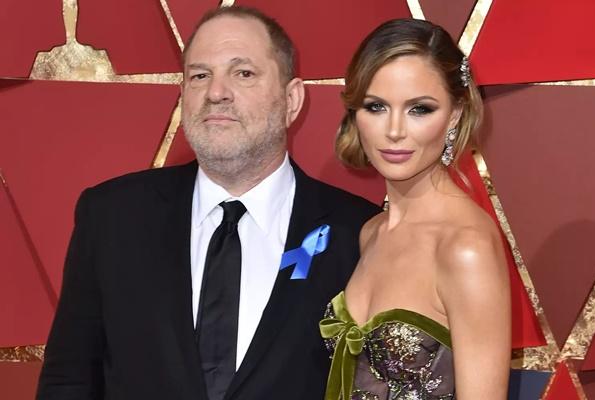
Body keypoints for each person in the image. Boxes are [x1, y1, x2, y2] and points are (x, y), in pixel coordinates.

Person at [36, 6, 380, 400]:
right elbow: (68, 382)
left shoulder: (361, 234)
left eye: (243, 73)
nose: (216, 92)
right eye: (200, 75)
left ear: (292, 100)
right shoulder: (111, 217)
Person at [319, 19, 511, 400]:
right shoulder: (371, 232)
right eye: (376, 106)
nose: (393, 130)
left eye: (419, 109)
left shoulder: (465, 248)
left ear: (455, 114)